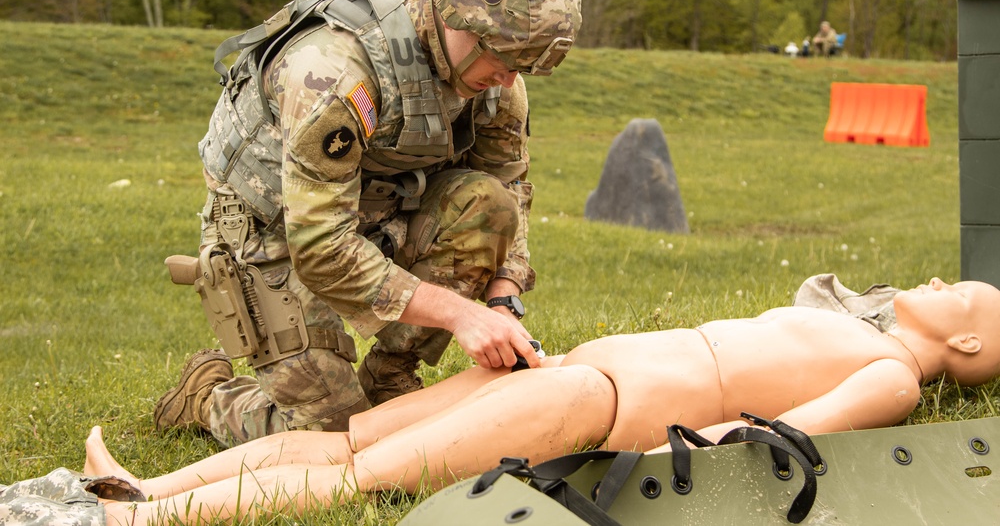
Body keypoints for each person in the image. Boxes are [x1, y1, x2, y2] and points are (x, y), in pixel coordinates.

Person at [66, 277, 1000, 525]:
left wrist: (694, 445)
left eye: (962, 291)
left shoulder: (894, 373)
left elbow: (787, 433)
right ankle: (146, 488)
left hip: (601, 399)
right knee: (344, 436)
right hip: (570, 367)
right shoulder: (851, 319)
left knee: (363, 474)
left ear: (966, 342)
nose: (936, 278)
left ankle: (155, 520)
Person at [153, 0, 583, 447]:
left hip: (376, 211)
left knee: (485, 204)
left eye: (524, 66)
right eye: (505, 59)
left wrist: (502, 298)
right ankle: (207, 395)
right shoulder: (335, 73)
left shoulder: (495, 80)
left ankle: (388, 376)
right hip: (273, 234)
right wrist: (459, 315)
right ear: (457, 16)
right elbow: (320, 247)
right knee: (332, 439)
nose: (510, 80)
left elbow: (507, 187)